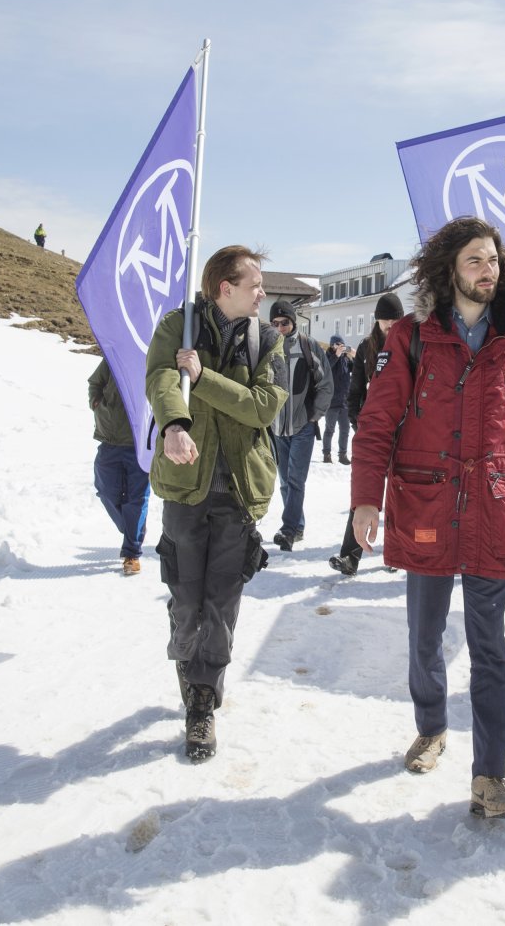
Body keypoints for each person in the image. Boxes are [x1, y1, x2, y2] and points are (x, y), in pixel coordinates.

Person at [350, 218, 505, 820]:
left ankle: (490, 775)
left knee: (491, 648)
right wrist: (367, 498)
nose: (486, 270)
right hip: (426, 505)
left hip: (494, 507)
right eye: (474, 260)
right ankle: (432, 723)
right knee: (426, 635)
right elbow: (377, 421)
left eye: (492, 260)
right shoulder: (411, 337)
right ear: (450, 269)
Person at [146, 245, 286, 762]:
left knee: (222, 605)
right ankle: (187, 650)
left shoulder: (267, 340)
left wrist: (205, 378)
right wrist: (176, 425)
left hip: (239, 492)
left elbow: (263, 407)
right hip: (185, 486)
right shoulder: (178, 327)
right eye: (254, 285)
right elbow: (161, 377)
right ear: (225, 287)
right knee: (188, 602)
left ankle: (202, 699)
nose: (262, 293)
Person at [329, 292, 404, 576]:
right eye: (386, 320)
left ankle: (397, 554)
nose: (390, 325)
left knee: (400, 495)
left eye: (395, 320)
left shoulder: (411, 345)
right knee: (363, 495)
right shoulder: (366, 348)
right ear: (377, 320)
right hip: (373, 432)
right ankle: (350, 556)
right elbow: (355, 392)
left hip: (405, 432)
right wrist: (358, 423)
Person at [266, 300, 332, 552]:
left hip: (302, 425)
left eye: (285, 322)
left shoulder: (308, 345)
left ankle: (289, 529)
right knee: (284, 481)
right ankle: (298, 524)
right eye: (275, 323)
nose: (280, 327)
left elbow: (326, 382)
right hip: (277, 426)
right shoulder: (268, 347)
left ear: (293, 321)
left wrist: (315, 415)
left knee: (295, 480)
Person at [88, 358, 150, 576]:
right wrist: (96, 402)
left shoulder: (158, 355)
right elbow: (95, 382)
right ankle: (132, 529)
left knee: (136, 498)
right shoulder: (115, 354)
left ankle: (132, 552)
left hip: (141, 445)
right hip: (110, 441)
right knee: (105, 491)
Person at [321, 335, 353, 464]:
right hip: (332, 402)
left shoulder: (346, 360)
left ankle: (342, 455)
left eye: (341, 344)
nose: (339, 346)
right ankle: (327, 454)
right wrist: (336, 355)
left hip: (344, 402)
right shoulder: (328, 357)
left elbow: (357, 369)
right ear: (331, 345)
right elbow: (326, 368)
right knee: (329, 429)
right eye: (336, 344)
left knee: (345, 430)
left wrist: (356, 355)